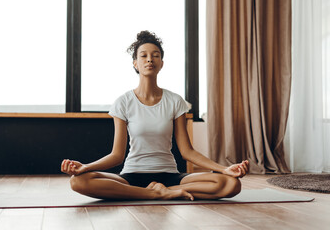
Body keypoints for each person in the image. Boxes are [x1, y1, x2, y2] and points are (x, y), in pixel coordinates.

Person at [61, 30, 249, 201]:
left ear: (161, 64)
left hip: (171, 176)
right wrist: (86, 167)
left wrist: (225, 169)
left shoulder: (175, 101)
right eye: (143, 56)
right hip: (131, 175)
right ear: (135, 63)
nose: (149, 59)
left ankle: (167, 190)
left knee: (231, 184)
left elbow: (187, 151)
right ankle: (154, 193)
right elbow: (117, 155)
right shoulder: (123, 102)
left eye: (155, 56)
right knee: (78, 181)